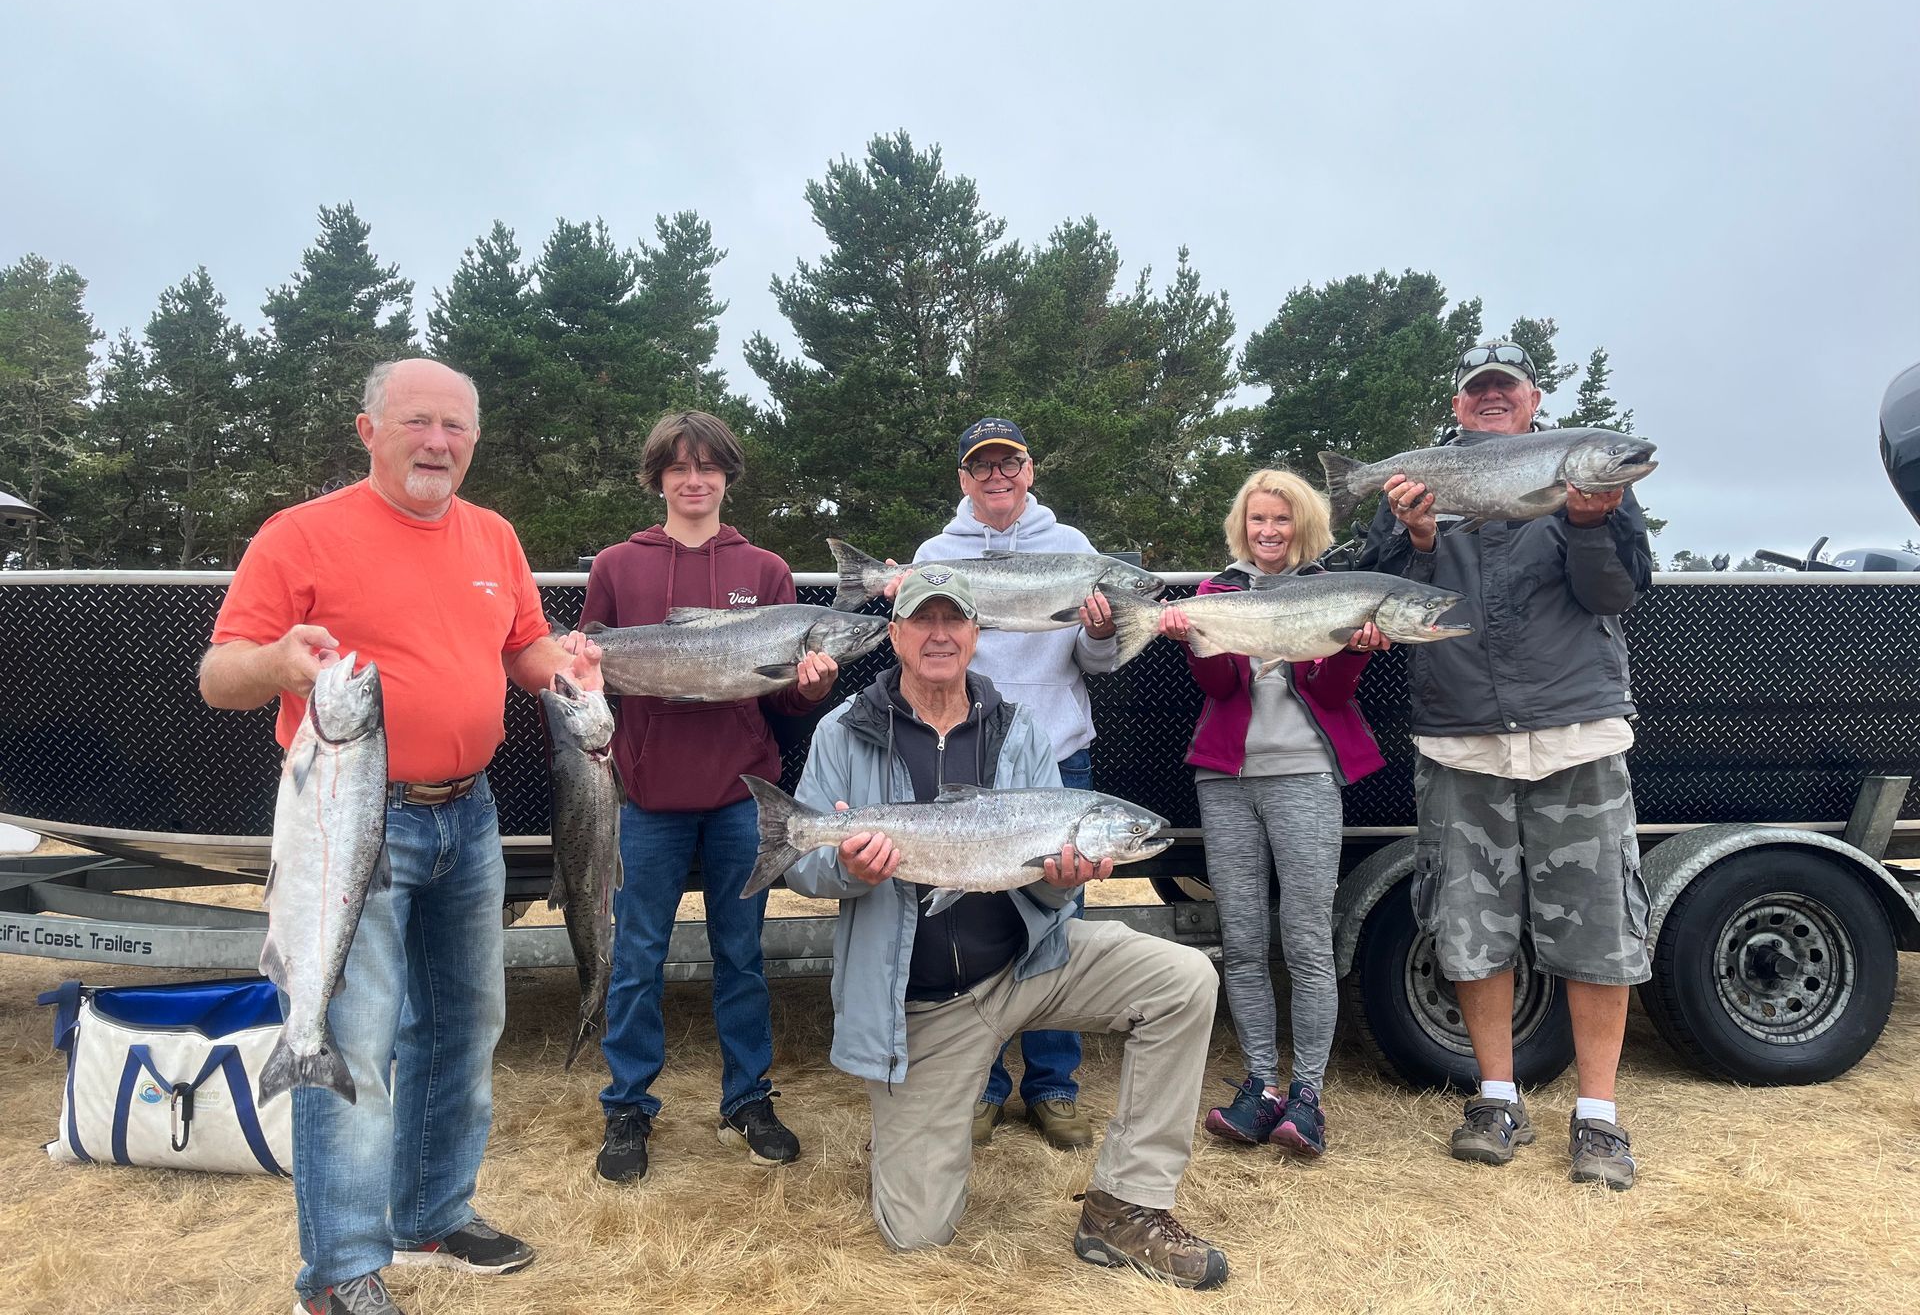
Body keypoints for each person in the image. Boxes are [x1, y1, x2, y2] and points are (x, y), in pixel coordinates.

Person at [200, 358, 604, 1315]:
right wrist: (277, 661)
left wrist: (568, 666)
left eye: (456, 427)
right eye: (417, 422)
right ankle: (340, 1273)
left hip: (471, 816)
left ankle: (432, 1213)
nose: (438, 443)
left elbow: (520, 649)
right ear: (367, 430)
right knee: (354, 1037)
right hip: (349, 824)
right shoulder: (299, 535)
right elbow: (220, 674)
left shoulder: (493, 536)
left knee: (466, 1028)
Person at [785, 566, 1228, 1288]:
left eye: (953, 621)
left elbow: (1043, 887)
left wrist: (1060, 889)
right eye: (921, 621)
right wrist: (850, 870)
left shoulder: (1018, 727)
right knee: (917, 1234)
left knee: (1183, 980)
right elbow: (802, 870)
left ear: (975, 634)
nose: (938, 635)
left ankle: (1125, 1206)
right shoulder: (844, 731)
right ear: (894, 634)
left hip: (1028, 966)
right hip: (924, 1008)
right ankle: (914, 1127)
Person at [1359, 339, 1653, 1191]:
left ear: (1532, 403)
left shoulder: (1590, 478)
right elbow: (1375, 601)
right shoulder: (1417, 481)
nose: (1491, 399)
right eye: (1477, 390)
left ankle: (1597, 1118)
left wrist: (1591, 522)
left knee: (1598, 927)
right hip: (1460, 738)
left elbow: (1617, 594)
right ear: (1459, 407)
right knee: (1468, 925)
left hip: (1576, 733)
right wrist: (1415, 539)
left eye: (1507, 388)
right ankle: (1496, 1098)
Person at [586, 410, 838, 1183]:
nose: (694, 481)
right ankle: (627, 1107)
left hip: (740, 798)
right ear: (658, 478)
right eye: (679, 468)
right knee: (636, 958)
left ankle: (748, 1099)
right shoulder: (616, 565)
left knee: (741, 957)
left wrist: (812, 689)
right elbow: (583, 681)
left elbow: (782, 705)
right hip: (647, 797)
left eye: (708, 468)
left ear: (727, 477)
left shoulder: (766, 570)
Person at [1159, 469, 1388, 1158]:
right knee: (1245, 936)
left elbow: (1333, 691)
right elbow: (1221, 687)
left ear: (1304, 527)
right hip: (1226, 779)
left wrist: (1351, 649)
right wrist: (1195, 637)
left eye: (1281, 521)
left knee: (1308, 938)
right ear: (1242, 526)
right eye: (1257, 520)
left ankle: (1307, 1095)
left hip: (1307, 777)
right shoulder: (1215, 593)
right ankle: (1260, 1083)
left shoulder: (1333, 590)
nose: (1267, 531)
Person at [908, 416, 1117, 1151]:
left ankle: (1054, 1085)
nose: (996, 476)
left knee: (1059, 921)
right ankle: (983, 1085)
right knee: (977, 924)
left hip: (1060, 758)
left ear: (1030, 470)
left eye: (1009, 463)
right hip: (976, 758)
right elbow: (927, 654)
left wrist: (1097, 632)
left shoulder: (1075, 552)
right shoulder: (937, 555)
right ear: (964, 480)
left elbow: (1099, 665)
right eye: (981, 466)